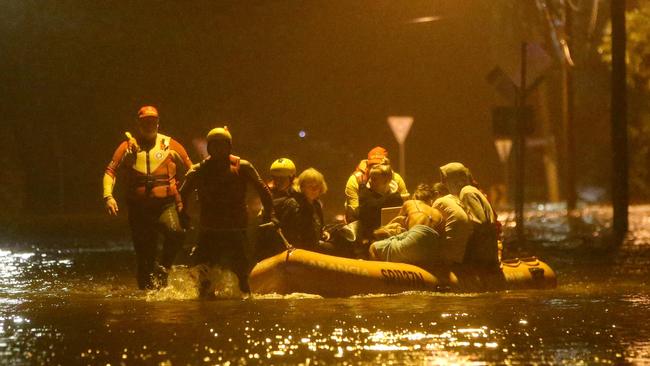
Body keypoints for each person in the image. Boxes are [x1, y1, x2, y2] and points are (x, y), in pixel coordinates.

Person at [103, 105, 193, 289]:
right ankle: (146, 300)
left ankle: (164, 268)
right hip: (139, 209)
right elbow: (110, 172)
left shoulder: (170, 145)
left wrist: (194, 192)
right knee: (145, 255)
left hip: (165, 204)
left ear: (158, 123)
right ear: (138, 123)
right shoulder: (127, 147)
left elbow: (192, 170)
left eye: (153, 121)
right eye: (145, 121)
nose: (150, 125)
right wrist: (108, 196)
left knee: (176, 233)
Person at [179, 127, 275, 296]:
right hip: (210, 229)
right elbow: (181, 195)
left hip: (236, 228)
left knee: (243, 273)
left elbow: (264, 190)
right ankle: (205, 302)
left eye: (222, 146)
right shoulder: (198, 170)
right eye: (215, 146)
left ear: (229, 147)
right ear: (209, 148)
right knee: (203, 272)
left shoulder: (243, 166)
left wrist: (270, 214)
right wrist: (182, 215)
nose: (218, 150)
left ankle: (246, 301)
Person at [369, 184, 445, 265]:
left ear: (414, 198)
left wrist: (379, 231)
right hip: (433, 250)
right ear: (431, 200)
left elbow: (395, 224)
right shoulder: (439, 214)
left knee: (374, 248)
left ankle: (379, 276)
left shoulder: (410, 203)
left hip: (415, 241)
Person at [344, 146, 408, 222]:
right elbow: (356, 214)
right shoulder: (356, 180)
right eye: (371, 165)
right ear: (367, 165)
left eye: (378, 166)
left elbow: (405, 207)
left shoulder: (396, 179)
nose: (373, 168)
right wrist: (362, 187)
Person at [431, 163, 474, 265]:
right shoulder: (468, 199)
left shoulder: (441, 202)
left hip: (447, 260)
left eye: (445, 180)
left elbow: (428, 230)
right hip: (466, 259)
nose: (442, 183)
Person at [279, 168, 330, 251]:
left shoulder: (316, 205)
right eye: (310, 186)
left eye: (316, 186)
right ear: (302, 187)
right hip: (299, 252)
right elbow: (288, 232)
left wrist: (323, 234)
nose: (314, 190)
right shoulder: (293, 204)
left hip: (311, 248)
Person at [358, 164, 404, 241]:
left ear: (387, 180)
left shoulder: (395, 197)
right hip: (372, 237)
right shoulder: (365, 194)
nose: (370, 181)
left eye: (374, 179)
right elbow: (372, 207)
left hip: (392, 237)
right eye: (370, 177)